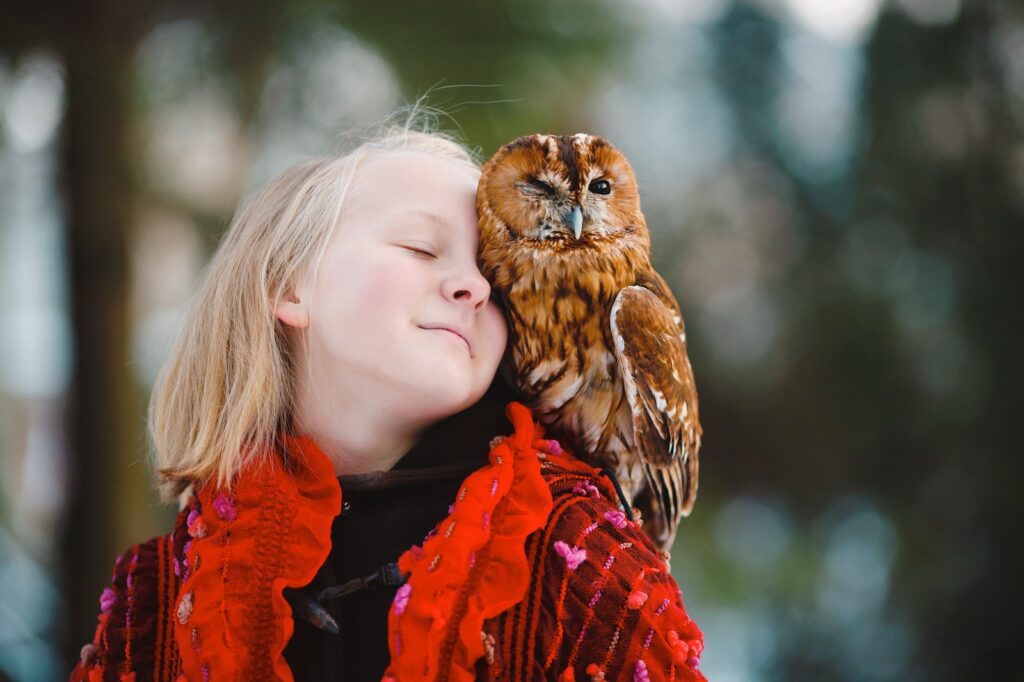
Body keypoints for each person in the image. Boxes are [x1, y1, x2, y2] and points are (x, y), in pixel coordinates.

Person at [71, 118, 706, 681]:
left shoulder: (574, 560)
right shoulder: (162, 592)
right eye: (422, 249)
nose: (472, 287)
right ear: (289, 286)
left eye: (491, 269)